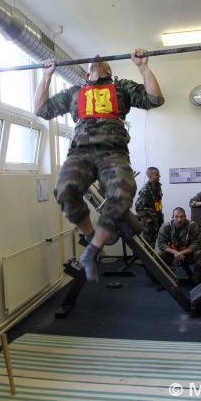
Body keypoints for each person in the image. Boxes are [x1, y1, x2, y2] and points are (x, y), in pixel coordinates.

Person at [34, 49, 164, 283]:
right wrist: (46, 76)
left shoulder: (121, 87)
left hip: (112, 152)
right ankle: (91, 237)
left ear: (108, 71)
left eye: (102, 62)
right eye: (92, 63)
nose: (95, 57)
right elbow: (41, 110)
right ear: (86, 74)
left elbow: (154, 99)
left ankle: (93, 248)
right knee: (64, 190)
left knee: (124, 192)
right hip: (81, 152)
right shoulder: (75, 92)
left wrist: (143, 67)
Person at [155, 207, 201, 284]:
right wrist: (175, 252)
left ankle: (196, 280)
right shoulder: (165, 226)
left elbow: (197, 243)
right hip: (171, 255)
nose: (179, 219)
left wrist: (181, 253)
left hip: (187, 255)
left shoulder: (192, 226)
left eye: (181, 216)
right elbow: (161, 244)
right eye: (176, 216)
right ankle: (164, 280)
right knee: (159, 255)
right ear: (172, 217)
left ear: (185, 217)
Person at [135, 166, 164, 247]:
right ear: (150, 176)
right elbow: (138, 207)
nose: (159, 176)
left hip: (157, 219)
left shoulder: (157, 186)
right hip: (149, 223)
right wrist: (146, 218)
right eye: (157, 175)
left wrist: (159, 213)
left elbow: (158, 201)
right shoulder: (145, 190)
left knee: (153, 243)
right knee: (148, 245)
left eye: (158, 174)